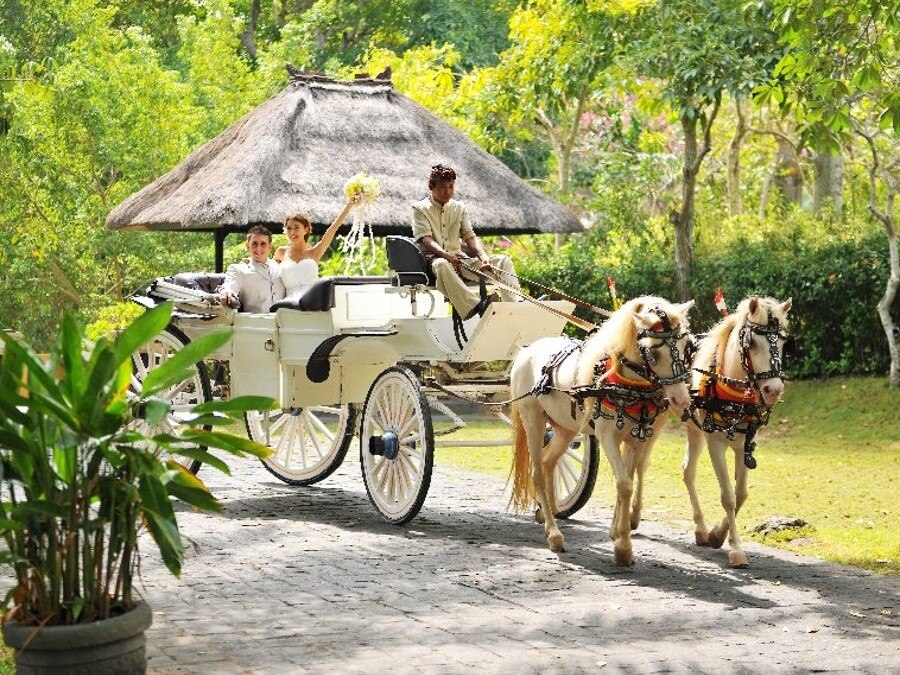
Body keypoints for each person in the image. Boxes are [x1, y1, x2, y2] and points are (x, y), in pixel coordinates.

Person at [411, 164, 521, 319]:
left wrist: (483, 257)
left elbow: (470, 237)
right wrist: (447, 256)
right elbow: (426, 240)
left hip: (461, 260)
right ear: (432, 186)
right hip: (435, 262)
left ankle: (515, 307)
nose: (447, 192)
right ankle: (477, 307)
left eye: (451, 187)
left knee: (503, 261)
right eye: (442, 187)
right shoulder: (419, 208)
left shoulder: (459, 208)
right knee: (442, 265)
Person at [275, 195, 361, 300]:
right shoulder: (281, 252)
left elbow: (333, 227)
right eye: (288, 228)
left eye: (296, 227)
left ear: (306, 230)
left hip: (313, 301)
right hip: (288, 303)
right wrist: (250, 262)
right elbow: (268, 270)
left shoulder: (315, 252)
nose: (292, 232)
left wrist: (349, 204)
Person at [219, 226, 286, 313]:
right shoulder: (238, 269)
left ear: (270, 247)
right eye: (254, 243)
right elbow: (230, 285)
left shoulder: (280, 267)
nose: (258, 248)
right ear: (247, 246)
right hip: (255, 323)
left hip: (284, 322)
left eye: (263, 244)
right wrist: (227, 291)